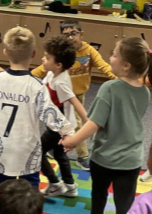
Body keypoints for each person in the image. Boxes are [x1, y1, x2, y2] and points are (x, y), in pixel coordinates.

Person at [59, 37, 152, 214]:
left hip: (105, 157)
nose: (110, 57)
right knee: (125, 202)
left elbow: (93, 124)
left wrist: (72, 140)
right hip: (131, 160)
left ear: (125, 65)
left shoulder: (109, 88)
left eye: (114, 54)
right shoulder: (144, 92)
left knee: (99, 191)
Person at [0, 27, 74, 214]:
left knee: (4, 187)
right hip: (28, 148)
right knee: (30, 189)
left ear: (5, 53)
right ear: (34, 55)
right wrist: (68, 132)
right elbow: (50, 113)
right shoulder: (35, 86)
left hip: (2, 147)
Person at [32, 20, 116, 163]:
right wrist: (24, 78)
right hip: (58, 94)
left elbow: (104, 67)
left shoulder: (89, 51)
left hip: (77, 94)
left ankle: (81, 155)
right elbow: (40, 70)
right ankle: (64, 149)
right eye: (66, 35)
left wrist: (118, 78)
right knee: (56, 121)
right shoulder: (60, 53)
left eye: (74, 34)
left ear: (81, 35)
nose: (70, 38)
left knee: (74, 124)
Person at [36, 34, 86, 198]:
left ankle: (54, 183)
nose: (43, 59)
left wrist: (88, 121)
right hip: (54, 122)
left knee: (36, 151)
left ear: (58, 64)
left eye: (47, 57)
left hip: (59, 126)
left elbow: (74, 100)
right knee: (59, 154)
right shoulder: (52, 74)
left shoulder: (61, 81)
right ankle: (70, 186)